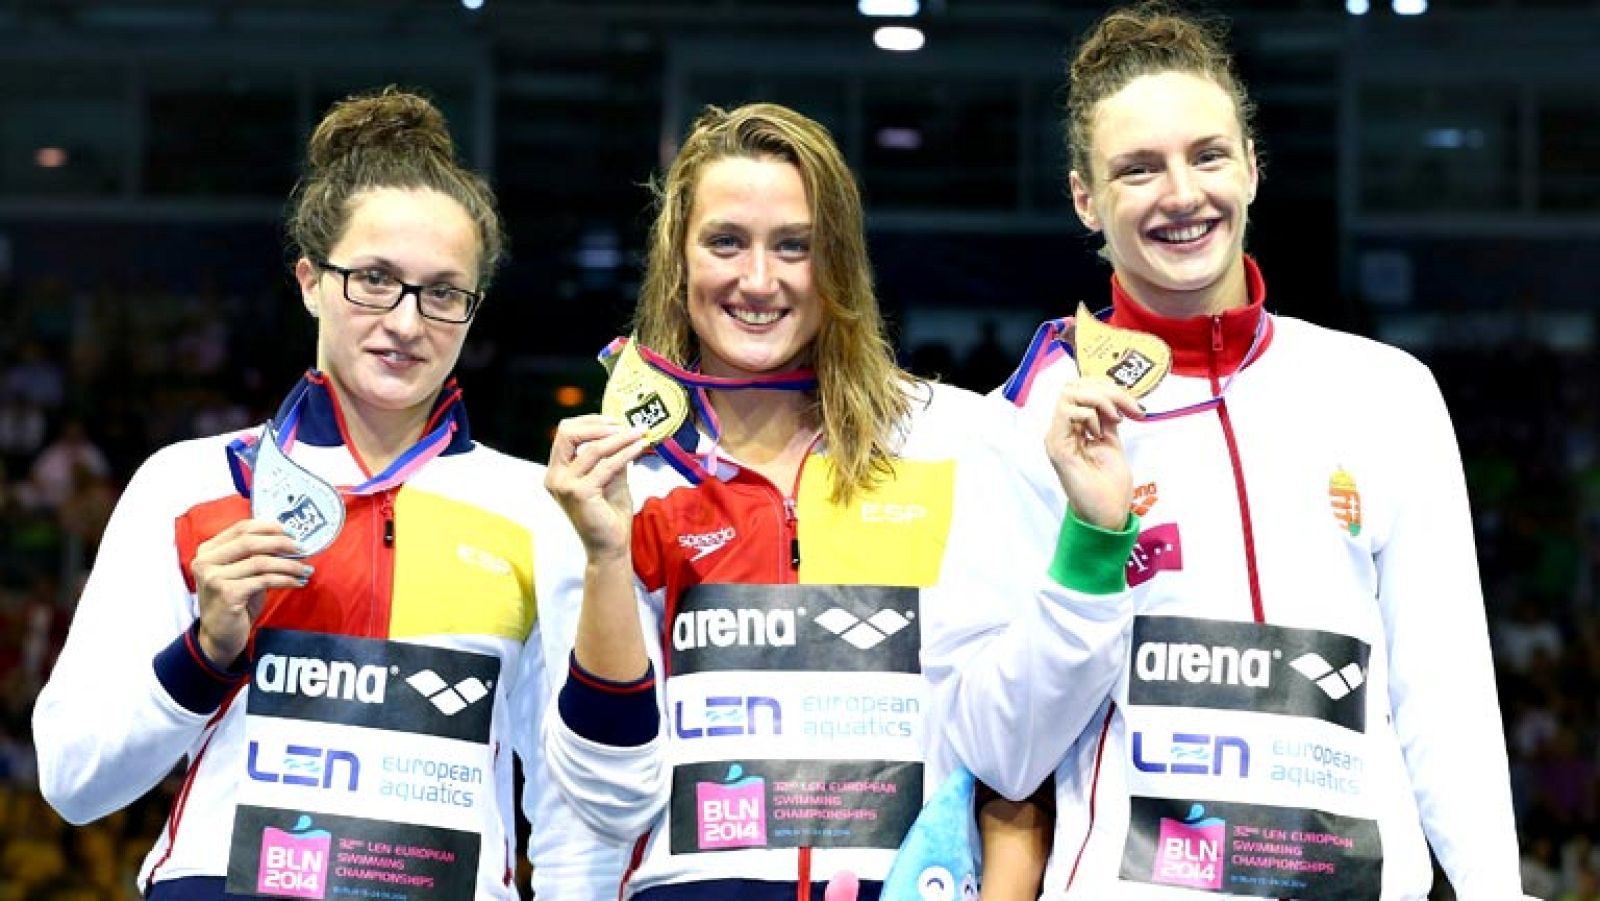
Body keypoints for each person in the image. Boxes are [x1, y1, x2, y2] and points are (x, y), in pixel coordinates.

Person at [539, 102, 1140, 900]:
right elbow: (608, 796)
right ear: (677, 258)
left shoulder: (954, 442)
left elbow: (1009, 748)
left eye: (796, 246)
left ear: (841, 265)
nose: (760, 280)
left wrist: (1094, 538)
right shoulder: (616, 476)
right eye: (726, 242)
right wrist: (609, 555)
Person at [32, 87, 621, 899]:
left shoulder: (535, 508)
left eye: (445, 292)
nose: (407, 322)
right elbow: (72, 779)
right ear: (310, 280)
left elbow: (569, 805)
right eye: (374, 278)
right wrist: (204, 655)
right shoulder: (192, 483)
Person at [992, 3, 1525, 898]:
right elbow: (1002, 745)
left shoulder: (1386, 391)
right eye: (1137, 169)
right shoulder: (1028, 421)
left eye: (1206, 155)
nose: (1182, 194)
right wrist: (1090, 544)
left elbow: (1447, 698)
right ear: (1085, 197)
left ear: (1250, 166)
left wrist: (1494, 890)